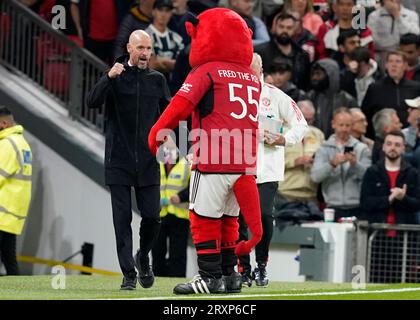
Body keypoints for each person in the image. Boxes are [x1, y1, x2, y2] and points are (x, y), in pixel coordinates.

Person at [148, 8, 264, 295]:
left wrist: (155, 134)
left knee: (203, 218)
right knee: (228, 220)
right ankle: (230, 275)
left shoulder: (206, 70)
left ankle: (208, 277)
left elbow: (180, 106)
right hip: (243, 163)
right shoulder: (251, 77)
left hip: (213, 159)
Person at [86, 30, 171, 290]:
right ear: (129, 48)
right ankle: (128, 274)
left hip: (148, 162)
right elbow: (91, 101)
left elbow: (169, 113)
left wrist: (170, 136)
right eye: (141, 48)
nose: (146, 53)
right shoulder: (115, 76)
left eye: (149, 48)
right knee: (121, 221)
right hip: (118, 161)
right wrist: (108, 78)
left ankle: (143, 256)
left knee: (153, 218)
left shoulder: (157, 79)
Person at [237, 53, 308, 287]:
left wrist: (283, 139)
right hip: (238, 168)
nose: (250, 75)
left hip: (266, 171)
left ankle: (262, 266)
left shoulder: (276, 97)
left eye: (253, 71)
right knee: (239, 221)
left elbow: (301, 124)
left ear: (261, 70)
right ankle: (242, 269)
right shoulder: (233, 95)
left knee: (265, 217)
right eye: (246, 71)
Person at [310, 107, 371, 220]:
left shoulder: (362, 149)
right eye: (341, 125)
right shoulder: (323, 149)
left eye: (347, 125)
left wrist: (355, 164)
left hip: (357, 206)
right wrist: (332, 164)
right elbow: (315, 177)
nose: (344, 129)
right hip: (332, 207)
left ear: (352, 125)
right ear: (333, 124)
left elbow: (369, 178)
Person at [0, 106, 32, 275]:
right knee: (9, 260)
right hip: (13, 214)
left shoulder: (7, 145)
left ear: (4, 123)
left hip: (2, 212)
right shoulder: (23, 144)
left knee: (8, 258)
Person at [152, 138, 191, 277]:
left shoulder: (187, 161)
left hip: (179, 214)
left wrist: (181, 196)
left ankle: (176, 281)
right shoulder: (157, 160)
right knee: (157, 252)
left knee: (178, 254)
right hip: (159, 213)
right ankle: (156, 281)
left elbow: (194, 185)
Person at [362, 50, 420, 139]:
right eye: (390, 61)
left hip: (411, 138)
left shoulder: (416, 88)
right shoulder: (375, 88)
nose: (394, 65)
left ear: (405, 65)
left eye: (398, 61)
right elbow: (366, 114)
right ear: (386, 65)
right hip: (382, 138)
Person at [278, 100, 325, 204]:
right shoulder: (281, 134)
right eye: (305, 119)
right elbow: (270, 163)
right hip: (285, 193)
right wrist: (294, 162)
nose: (307, 124)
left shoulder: (318, 134)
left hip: (311, 195)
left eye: (310, 120)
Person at [255, 12, 311, 90]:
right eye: (281, 27)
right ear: (274, 28)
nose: (284, 31)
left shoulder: (302, 55)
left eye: (289, 28)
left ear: (295, 30)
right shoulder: (260, 51)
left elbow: (305, 83)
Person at [307, 58, 357, 137]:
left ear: (331, 75)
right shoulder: (310, 97)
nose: (314, 78)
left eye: (318, 74)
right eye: (313, 74)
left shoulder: (347, 100)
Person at [368, 0, 419, 66]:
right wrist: (395, 46)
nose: (393, 2)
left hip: (406, 59)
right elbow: (373, 41)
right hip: (382, 59)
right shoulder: (374, 16)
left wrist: (397, 15)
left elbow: (415, 35)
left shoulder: (411, 15)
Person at [146, 0, 184, 81]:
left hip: (173, 86)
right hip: (150, 85)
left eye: (167, 11)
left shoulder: (177, 38)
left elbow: (182, 65)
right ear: (153, 12)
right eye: (160, 10)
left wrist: (159, 61)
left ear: (171, 13)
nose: (163, 14)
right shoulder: (145, 36)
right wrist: (172, 63)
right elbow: (151, 65)